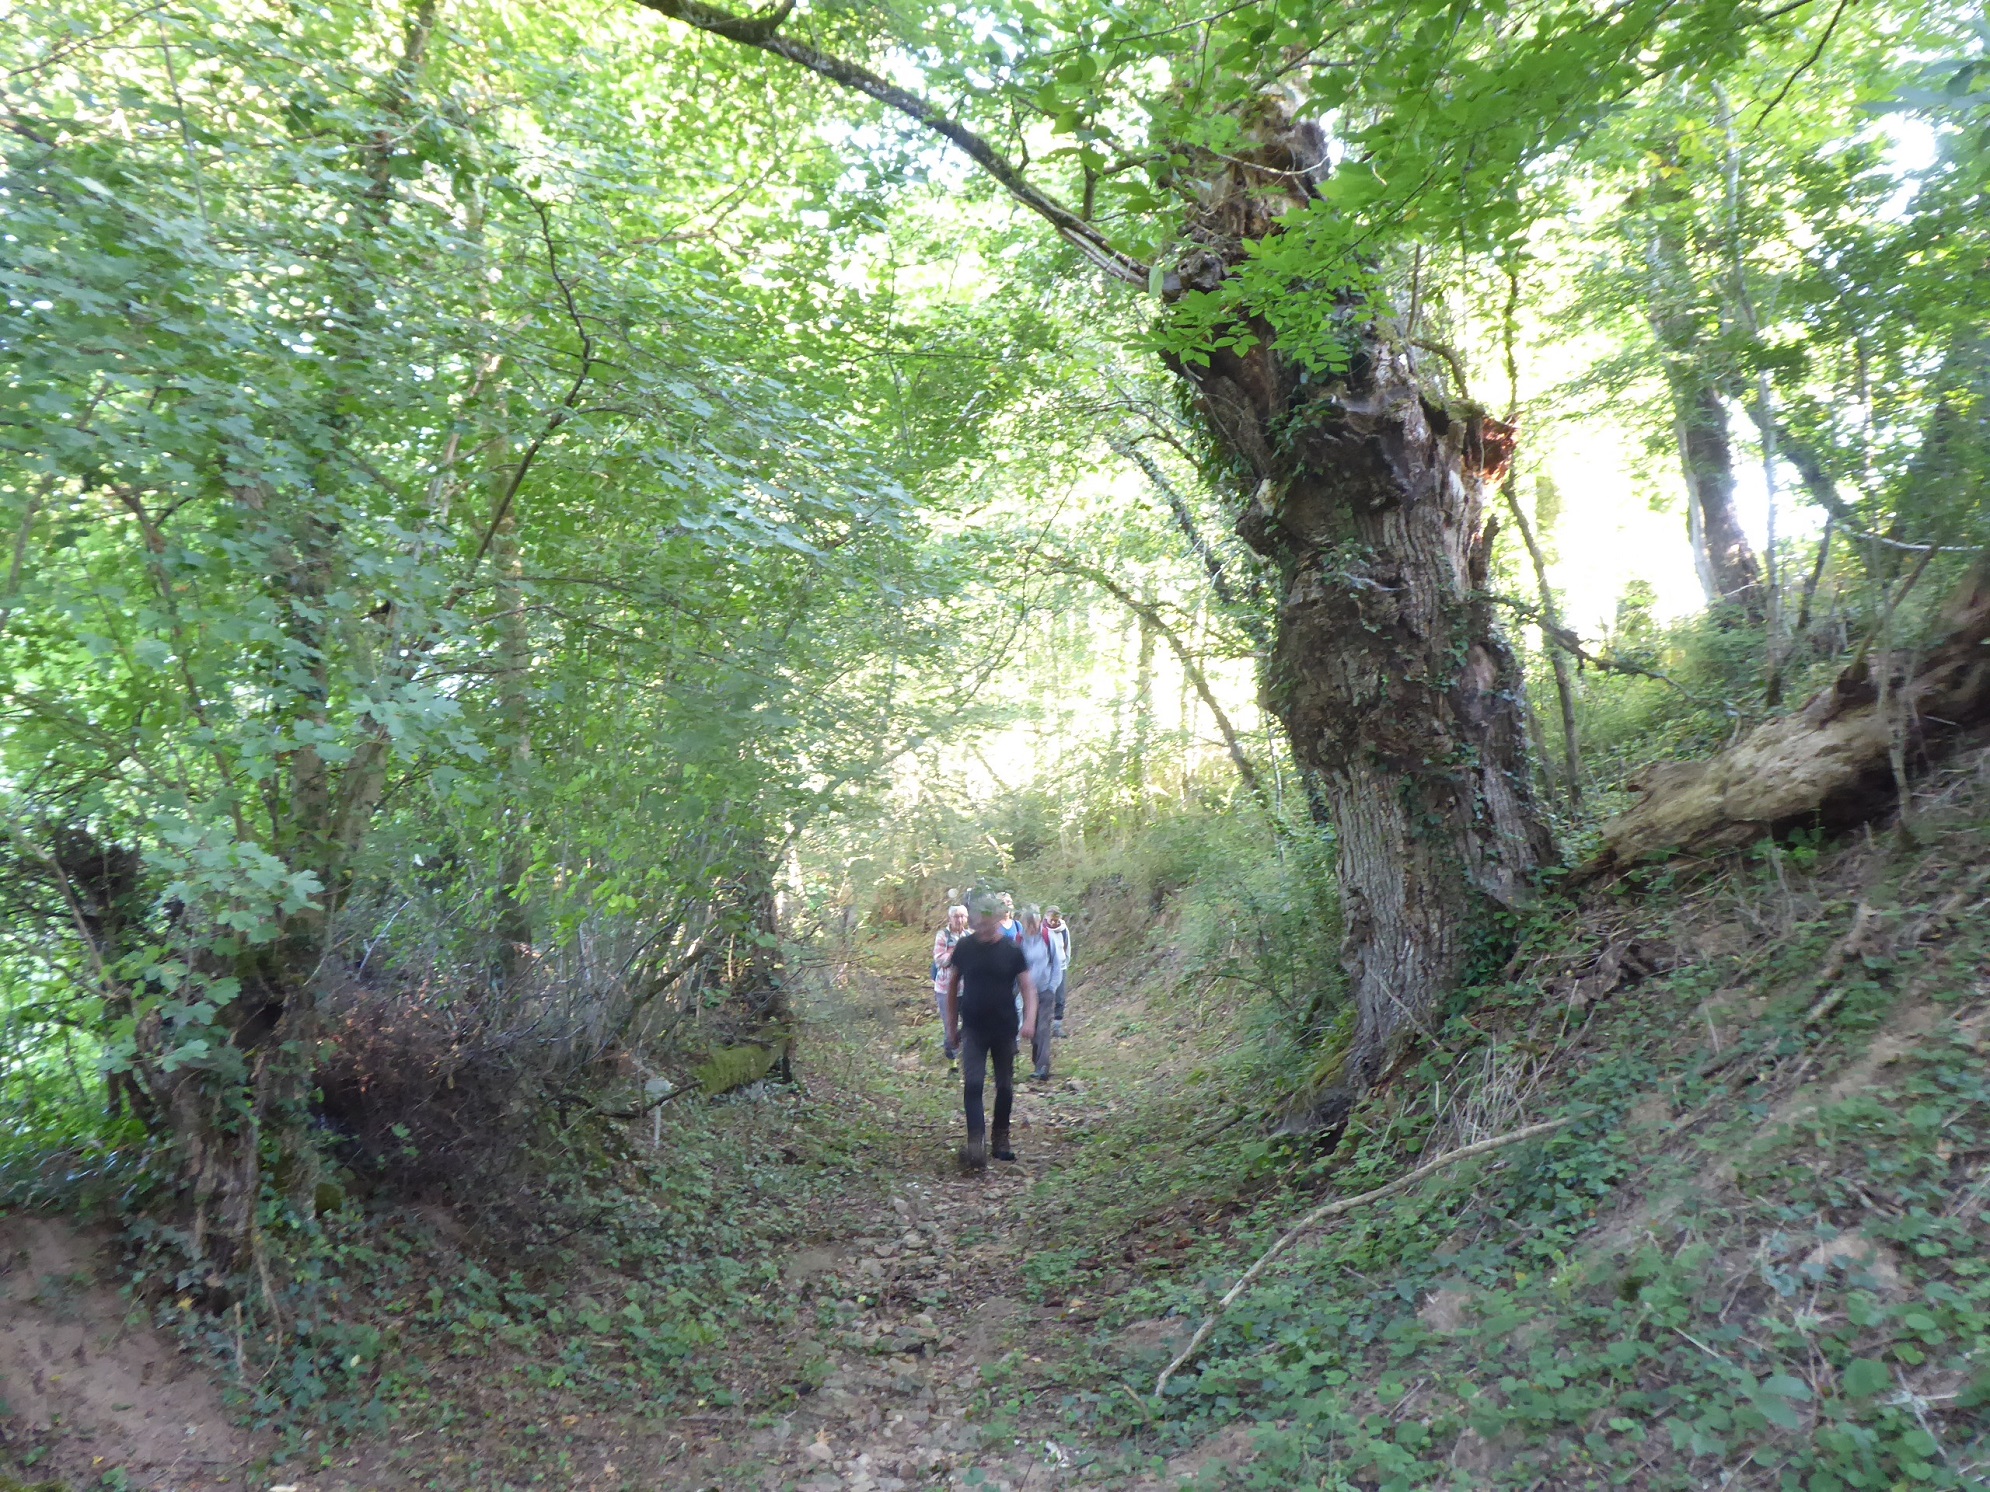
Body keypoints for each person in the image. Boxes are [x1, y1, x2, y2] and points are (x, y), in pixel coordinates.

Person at [943, 895, 1037, 1169]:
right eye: (978, 923)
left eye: (987, 923)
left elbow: (1028, 988)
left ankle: (1000, 1138)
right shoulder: (965, 947)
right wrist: (951, 1026)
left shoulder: (1012, 950)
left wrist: (1029, 1020)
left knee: (1004, 1085)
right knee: (973, 1083)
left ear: (997, 920)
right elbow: (952, 986)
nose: (982, 928)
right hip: (973, 1027)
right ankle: (976, 1143)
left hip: (1004, 1028)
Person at [1018, 906, 1064, 1081]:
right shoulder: (1020, 940)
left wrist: (1052, 987)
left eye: (1035, 924)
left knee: (1043, 1028)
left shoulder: (1047, 937)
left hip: (1045, 990)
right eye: (1029, 924)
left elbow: (1057, 964)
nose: (1033, 928)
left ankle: (1042, 1067)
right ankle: (1037, 1062)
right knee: (1032, 1028)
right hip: (1027, 993)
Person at [931, 904, 968, 1060]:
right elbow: (939, 959)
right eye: (956, 916)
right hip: (945, 989)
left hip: (966, 989)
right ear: (950, 918)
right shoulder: (943, 935)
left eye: (962, 916)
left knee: (969, 1023)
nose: (959, 920)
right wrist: (957, 954)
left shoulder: (968, 935)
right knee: (950, 1025)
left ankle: (966, 1055)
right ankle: (952, 1060)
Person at [1044, 906, 1072, 1038]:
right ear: (1046, 917)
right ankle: (1043, 1026)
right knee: (1046, 997)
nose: (1054, 922)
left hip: (1061, 967)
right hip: (1047, 968)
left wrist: (1065, 963)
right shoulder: (1043, 930)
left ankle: (1057, 1027)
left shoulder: (1063, 930)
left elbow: (1067, 947)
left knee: (1060, 998)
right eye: (1052, 919)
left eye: (1056, 919)